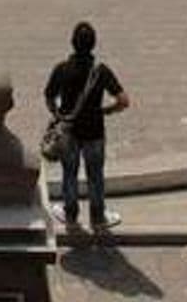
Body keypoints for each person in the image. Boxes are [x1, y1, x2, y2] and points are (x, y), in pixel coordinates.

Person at [44, 21, 130, 234]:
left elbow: (48, 96)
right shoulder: (100, 71)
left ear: (72, 43)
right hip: (94, 131)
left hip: (69, 131)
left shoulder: (62, 69)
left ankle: (70, 215)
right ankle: (98, 217)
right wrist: (106, 111)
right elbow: (123, 101)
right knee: (95, 175)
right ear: (94, 44)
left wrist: (58, 115)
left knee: (69, 174)